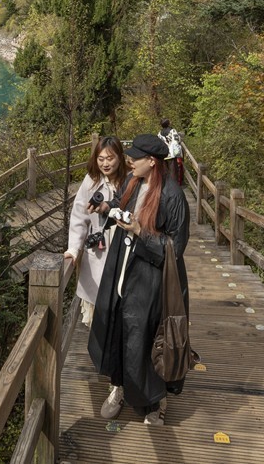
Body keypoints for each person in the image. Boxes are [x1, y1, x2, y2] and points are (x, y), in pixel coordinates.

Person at [88, 133, 189, 427]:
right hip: (122, 270)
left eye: (136, 157)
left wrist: (138, 232)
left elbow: (175, 248)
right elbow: (121, 203)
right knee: (120, 329)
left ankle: (154, 401)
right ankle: (119, 387)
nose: (129, 160)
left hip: (151, 280)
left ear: (152, 162)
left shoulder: (173, 195)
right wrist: (106, 207)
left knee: (144, 339)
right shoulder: (135, 182)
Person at [64, 136, 128, 325]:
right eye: (101, 159)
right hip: (99, 251)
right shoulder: (91, 181)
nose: (105, 164)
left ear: (120, 158)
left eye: (110, 158)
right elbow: (79, 217)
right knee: (98, 308)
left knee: (122, 301)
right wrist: (74, 249)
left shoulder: (129, 180)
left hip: (124, 247)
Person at [159, 118, 184, 187]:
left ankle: (166, 185)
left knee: (165, 171)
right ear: (168, 123)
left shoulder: (160, 133)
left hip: (164, 154)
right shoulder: (172, 131)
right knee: (173, 171)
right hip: (171, 154)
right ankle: (174, 186)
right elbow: (176, 140)